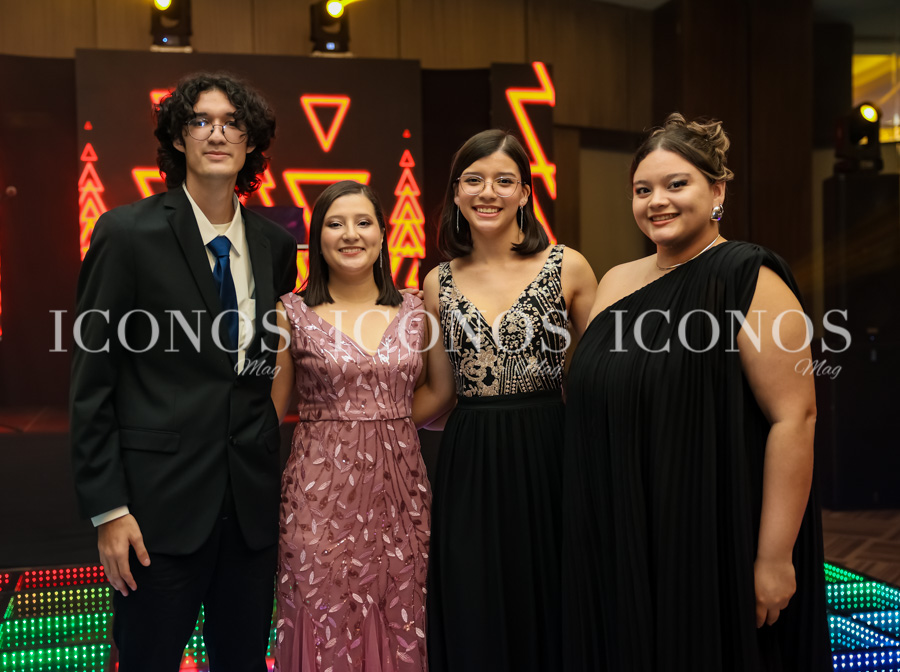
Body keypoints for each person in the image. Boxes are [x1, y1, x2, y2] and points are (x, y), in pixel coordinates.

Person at [561, 113, 830, 671]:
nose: (656, 201)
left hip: (706, 533)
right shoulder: (616, 280)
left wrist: (774, 557)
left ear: (717, 191)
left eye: (676, 184)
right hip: (620, 532)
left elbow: (795, 418)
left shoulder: (749, 277)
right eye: (643, 190)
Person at [70, 73, 298, 671]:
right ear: (177, 138)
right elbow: (92, 382)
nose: (217, 134)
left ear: (251, 143)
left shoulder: (274, 245)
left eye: (233, 123)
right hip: (154, 516)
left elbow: (261, 367)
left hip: (249, 516)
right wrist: (109, 510)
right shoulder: (127, 233)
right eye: (201, 121)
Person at [423, 129, 598, 672]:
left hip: (548, 449)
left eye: (504, 180)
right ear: (456, 193)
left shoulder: (568, 266)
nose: (487, 192)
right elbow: (441, 390)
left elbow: (598, 377)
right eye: (473, 180)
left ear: (525, 192)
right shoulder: (437, 282)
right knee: (472, 598)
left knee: (548, 593)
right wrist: (363, 426)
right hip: (469, 457)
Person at [270, 180, 453, 671]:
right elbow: (272, 408)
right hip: (317, 500)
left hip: (401, 498)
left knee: (402, 619)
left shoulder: (418, 310)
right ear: (317, 237)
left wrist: (383, 422)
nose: (350, 234)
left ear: (382, 233)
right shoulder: (290, 313)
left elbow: (441, 391)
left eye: (363, 222)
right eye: (335, 224)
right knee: (322, 619)